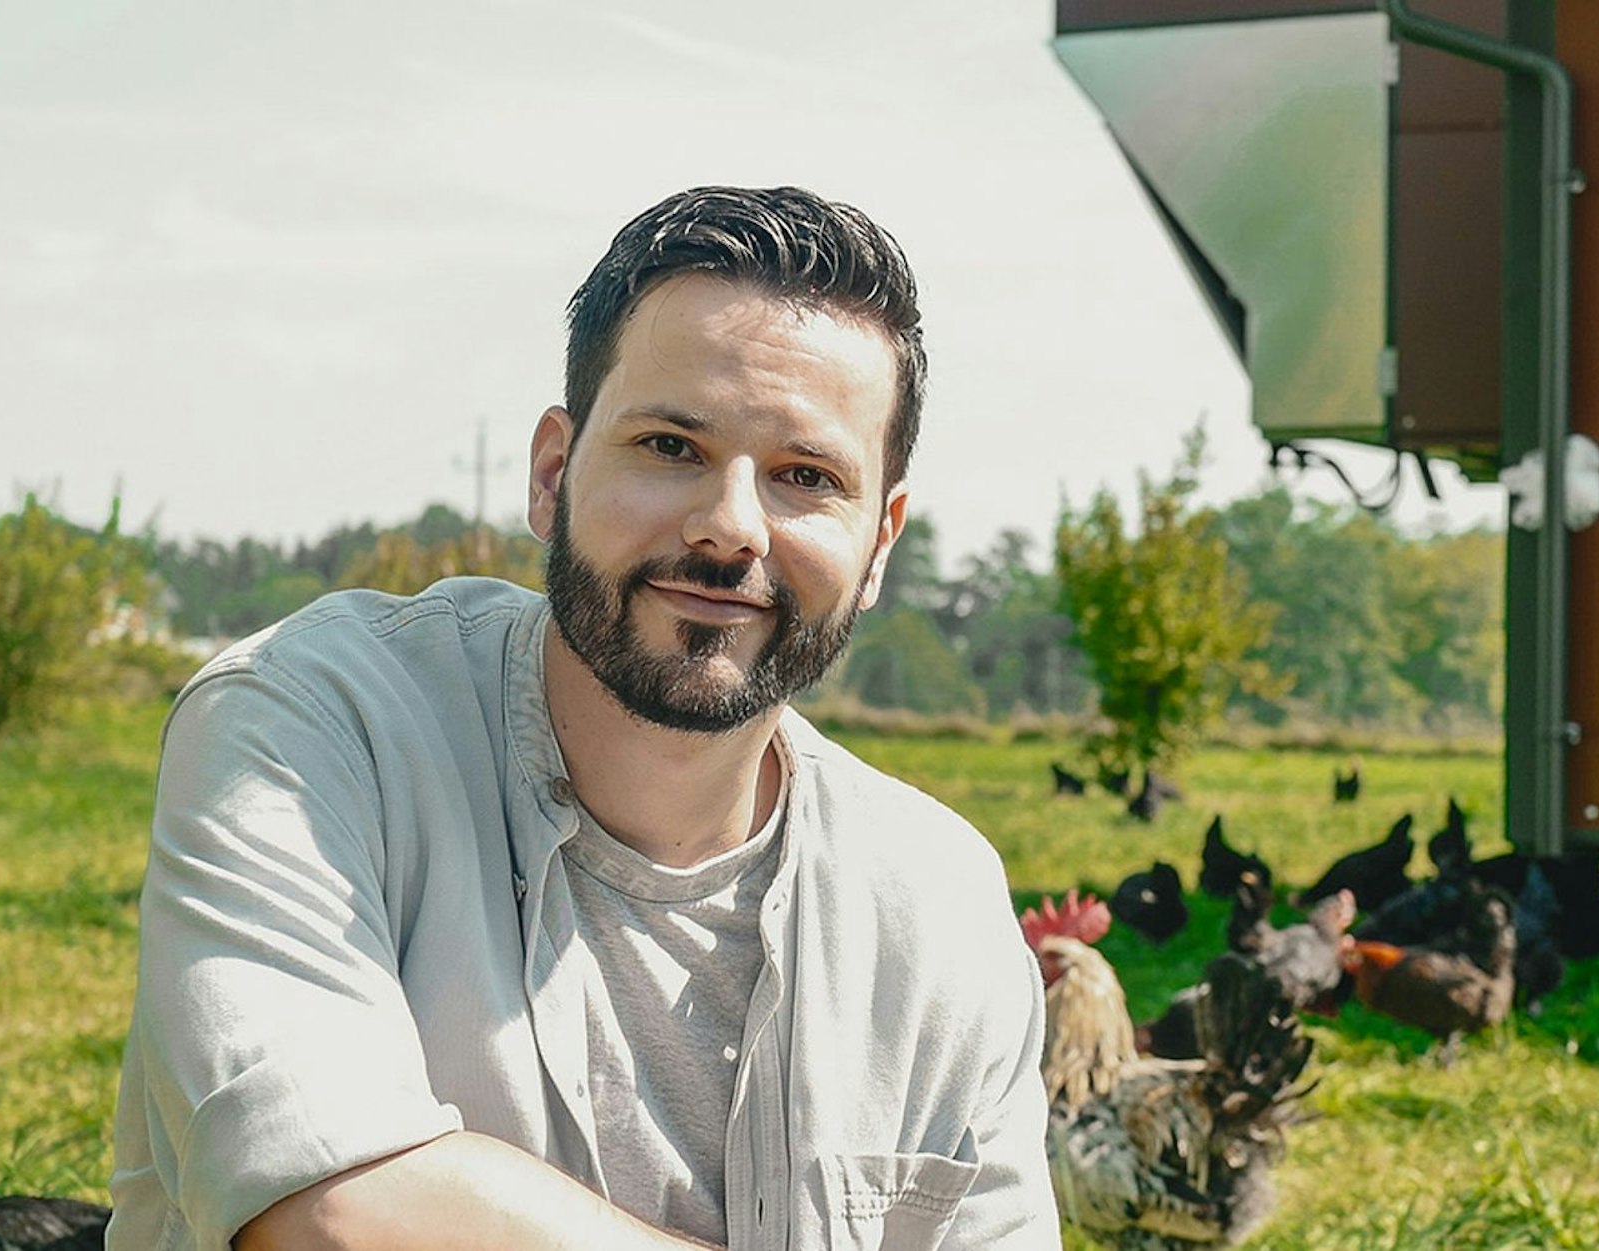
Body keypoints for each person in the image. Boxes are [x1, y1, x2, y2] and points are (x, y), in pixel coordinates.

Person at [107, 185, 1061, 1251]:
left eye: (805, 476)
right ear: (553, 473)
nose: (726, 528)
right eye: (669, 447)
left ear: (878, 542)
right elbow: (324, 1209)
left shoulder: (937, 902)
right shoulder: (311, 728)